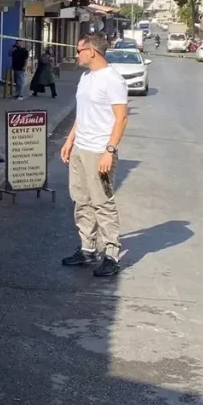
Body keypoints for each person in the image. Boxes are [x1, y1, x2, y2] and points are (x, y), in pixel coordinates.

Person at [60, 33, 128, 278]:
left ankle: (111, 254)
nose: (77, 55)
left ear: (92, 52)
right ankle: (88, 249)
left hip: (100, 150)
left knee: (102, 203)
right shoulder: (86, 77)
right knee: (81, 199)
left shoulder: (113, 80)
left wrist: (109, 151)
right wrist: (70, 140)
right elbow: (83, 113)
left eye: (79, 51)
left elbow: (121, 118)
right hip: (81, 148)